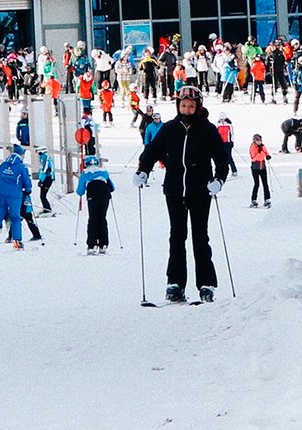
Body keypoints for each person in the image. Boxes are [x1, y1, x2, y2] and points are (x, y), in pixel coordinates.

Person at [135, 83, 230, 303]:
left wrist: (219, 179)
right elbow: (152, 151)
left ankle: (206, 283)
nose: (186, 110)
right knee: (177, 236)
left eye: (191, 106)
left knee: (200, 236)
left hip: (200, 190)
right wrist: (143, 171)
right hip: (175, 190)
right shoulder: (169, 129)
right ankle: (175, 283)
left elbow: (221, 158)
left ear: (198, 107)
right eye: (183, 106)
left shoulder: (207, 130)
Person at [0, 146, 32, 250]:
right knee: (15, 218)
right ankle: (17, 241)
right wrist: (27, 190)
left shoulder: (3, 165)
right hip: (15, 196)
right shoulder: (21, 167)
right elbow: (27, 182)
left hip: (1, 195)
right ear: (21, 155)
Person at [77, 154, 116, 253]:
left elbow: (80, 191)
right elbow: (112, 187)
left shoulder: (85, 173)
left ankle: (92, 245)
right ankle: (104, 244)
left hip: (92, 196)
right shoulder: (104, 172)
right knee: (102, 218)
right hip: (105, 195)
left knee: (93, 219)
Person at [248, 134, 272, 208]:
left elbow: (266, 152)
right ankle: (253, 199)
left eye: (260, 140)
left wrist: (268, 156)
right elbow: (253, 158)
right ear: (254, 140)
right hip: (255, 168)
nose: (259, 141)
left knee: (265, 184)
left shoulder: (262, 146)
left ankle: (267, 199)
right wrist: (260, 152)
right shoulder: (252, 147)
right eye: (257, 140)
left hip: (262, 167)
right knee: (257, 184)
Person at [35, 147, 56, 215]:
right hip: (46, 178)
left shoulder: (45, 157)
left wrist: (41, 180)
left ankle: (47, 209)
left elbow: (44, 169)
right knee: (42, 195)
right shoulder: (44, 157)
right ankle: (46, 208)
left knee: (42, 195)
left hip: (47, 179)